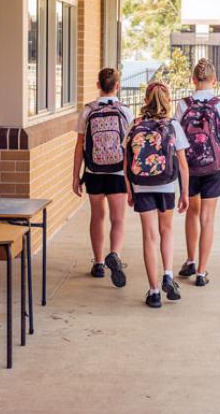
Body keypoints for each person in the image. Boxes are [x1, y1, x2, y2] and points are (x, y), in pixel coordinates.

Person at [124, 82, 190, 308]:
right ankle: (168, 275)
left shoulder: (135, 124)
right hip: (166, 184)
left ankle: (153, 293)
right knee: (166, 230)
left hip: (141, 185)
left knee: (150, 237)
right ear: (168, 101)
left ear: (145, 100)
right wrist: (185, 193)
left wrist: (130, 189)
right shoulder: (173, 125)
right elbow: (183, 164)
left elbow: (126, 162)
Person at [174, 58, 220, 287]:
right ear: (214, 80)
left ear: (193, 80)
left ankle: (190, 260)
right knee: (208, 218)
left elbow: (177, 139)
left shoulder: (183, 105)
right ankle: (201, 272)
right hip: (213, 168)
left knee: (192, 212)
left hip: (189, 168)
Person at [72, 68, 132, 288]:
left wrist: (76, 176)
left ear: (98, 85)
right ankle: (114, 255)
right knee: (118, 219)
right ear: (117, 86)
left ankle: (98, 263)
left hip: (94, 172)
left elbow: (79, 146)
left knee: (97, 217)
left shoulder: (88, 111)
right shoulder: (125, 111)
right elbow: (131, 147)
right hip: (118, 173)